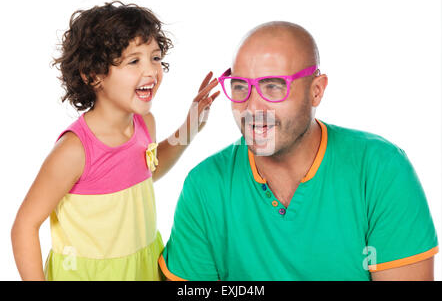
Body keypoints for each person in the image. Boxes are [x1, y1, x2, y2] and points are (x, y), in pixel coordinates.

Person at [159, 21, 438, 281]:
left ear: (316, 91)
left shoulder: (380, 169)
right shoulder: (206, 186)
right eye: (241, 87)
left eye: (273, 87)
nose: (253, 109)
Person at [10, 1, 220, 281]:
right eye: (134, 61)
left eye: (155, 58)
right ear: (93, 75)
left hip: (141, 269)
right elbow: (24, 225)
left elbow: (148, 171)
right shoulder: (74, 150)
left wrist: (191, 127)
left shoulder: (145, 123)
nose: (151, 71)